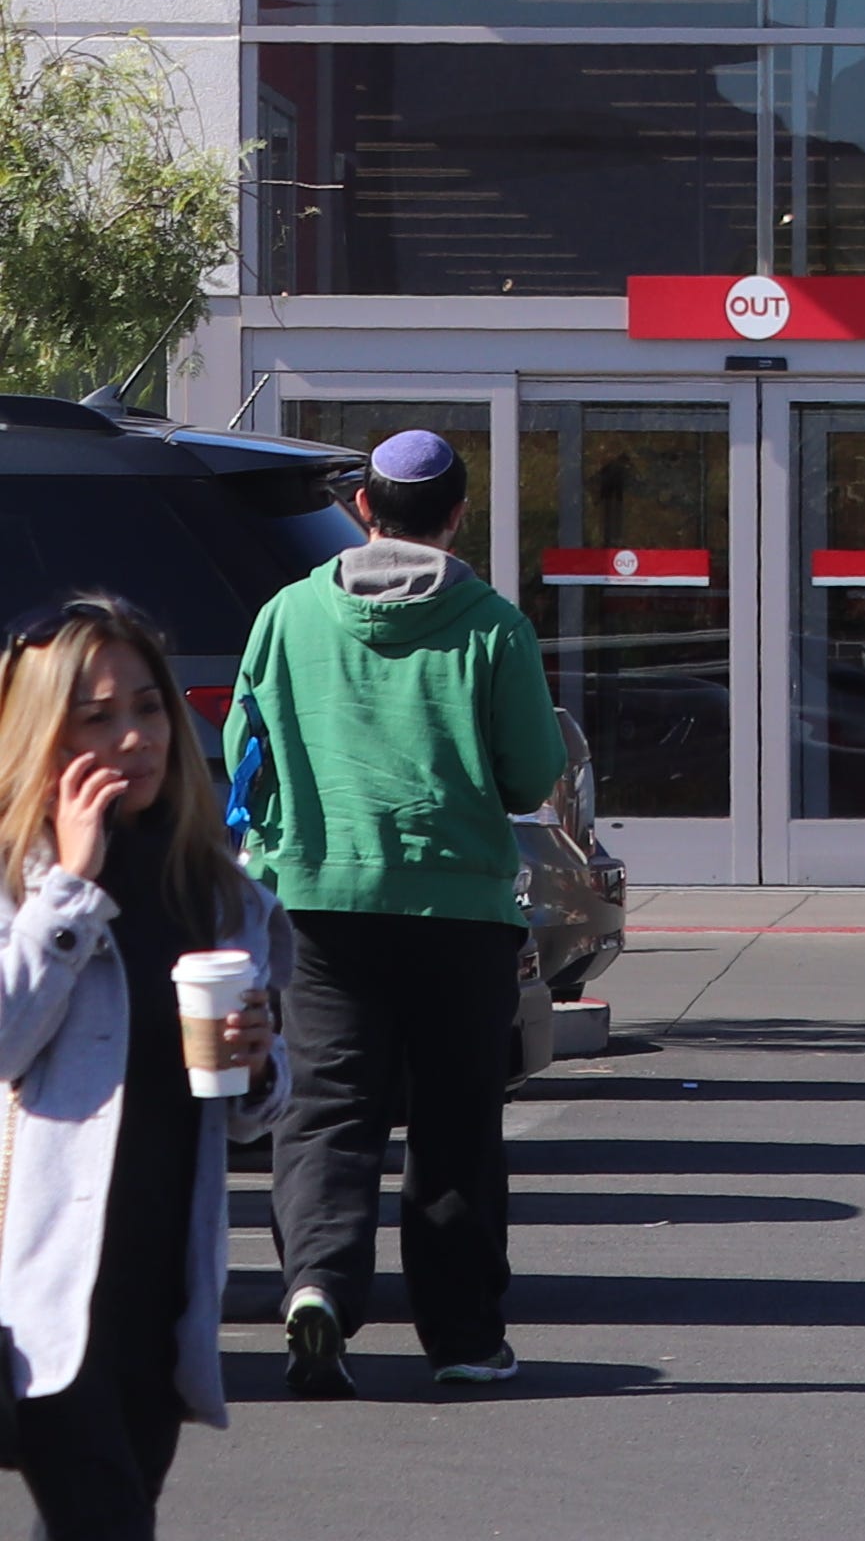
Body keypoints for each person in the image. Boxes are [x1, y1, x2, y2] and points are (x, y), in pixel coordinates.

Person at [231, 430, 567, 1401]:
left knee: (326, 1111)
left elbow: (242, 747)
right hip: (459, 909)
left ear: (365, 511)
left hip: (321, 903)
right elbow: (531, 771)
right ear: (456, 515)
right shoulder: (492, 626)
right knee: (456, 1122)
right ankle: (462, 1336)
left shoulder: (288, 615)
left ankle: (318, 1290)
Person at [0, 597, 278, 1537]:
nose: (134, 737)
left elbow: (243, 1114)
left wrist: (260, 1061)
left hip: (159, 1286)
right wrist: (70, 890)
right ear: (43, 732)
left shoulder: (216, 892)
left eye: (148, 708)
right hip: (40, 1289)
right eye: (97, 716)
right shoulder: (18, 882)